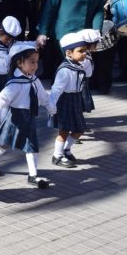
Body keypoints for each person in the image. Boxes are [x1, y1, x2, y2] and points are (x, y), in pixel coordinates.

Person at [0, 42, 55, 188]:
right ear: (19, 63)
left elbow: (43, 95)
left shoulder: (34, 79)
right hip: (14, 117)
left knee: (31, 145)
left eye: (36, 62)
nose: (35, 66)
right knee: (5, 143)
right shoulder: (15, 83)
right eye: (31, 62)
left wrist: (50, 106)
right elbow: (2, 97)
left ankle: (33, 175)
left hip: (28, 117)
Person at [37, 0, 104, 78]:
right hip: (64, 33)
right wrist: (42, 32)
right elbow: (50, 8)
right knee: (65, 71)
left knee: (82, 70)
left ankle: (79, 96)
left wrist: (97, 31)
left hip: (85, 34)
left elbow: (99, 10)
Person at [50, 33, 90, 168]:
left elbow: (89, 73)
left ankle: (66, 149)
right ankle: (57, 156)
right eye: (81, 51)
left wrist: (88, 60)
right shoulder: (65, 70)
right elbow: (56, 89)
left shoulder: (79, 64)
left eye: (85, 50)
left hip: (76, 100)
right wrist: (51, 105)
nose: (84, 53)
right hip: (65, 101)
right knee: (64, 131)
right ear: (69, 53)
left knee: (79, 129)